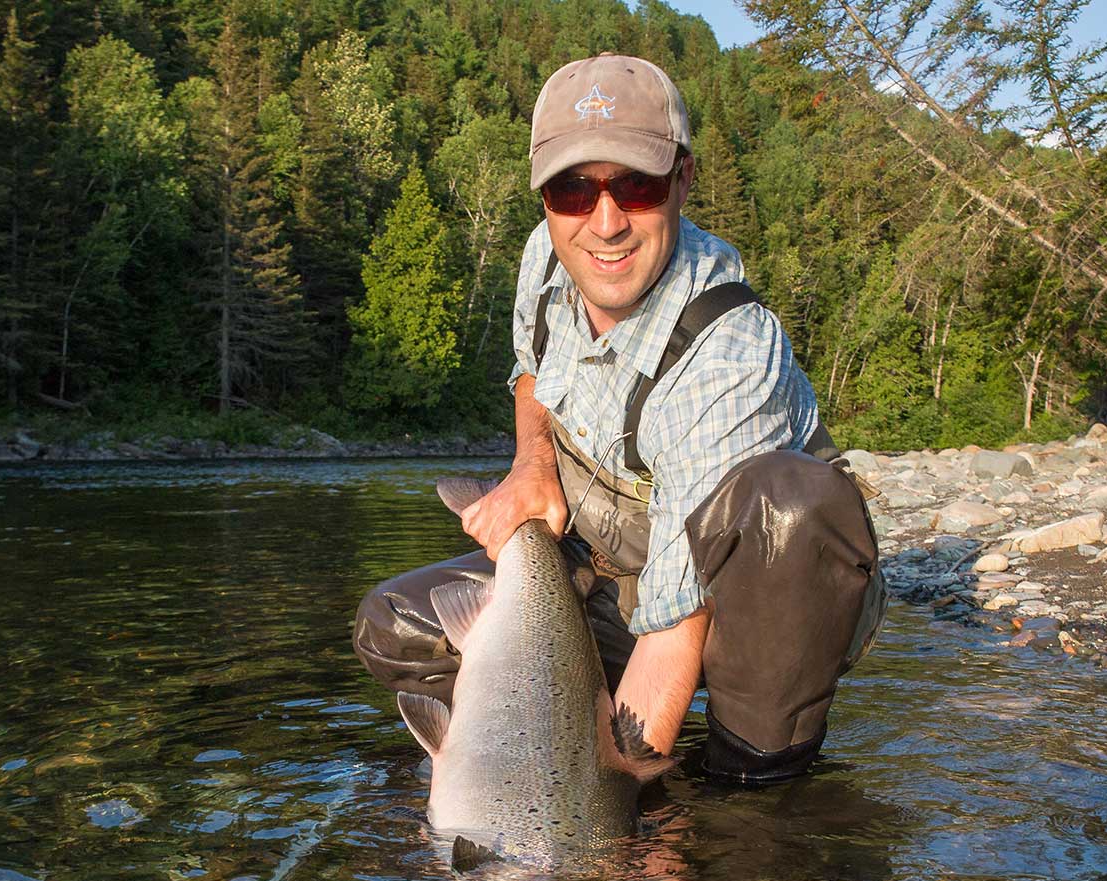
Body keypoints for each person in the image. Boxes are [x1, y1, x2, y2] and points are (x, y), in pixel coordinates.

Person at [354, 54, 885, 784]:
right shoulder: (547, 253)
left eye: (637, 184)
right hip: (608, 575)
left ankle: (751, 778)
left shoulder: (726, 350)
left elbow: (677, 624)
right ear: (545, 195)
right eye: (573, 189)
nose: (604, 223)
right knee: (397, 624)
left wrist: (614, 825)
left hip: (749, 599)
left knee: (787, 510)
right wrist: (532, 466)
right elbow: (530, 368)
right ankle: (538, 756)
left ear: (684, 181)